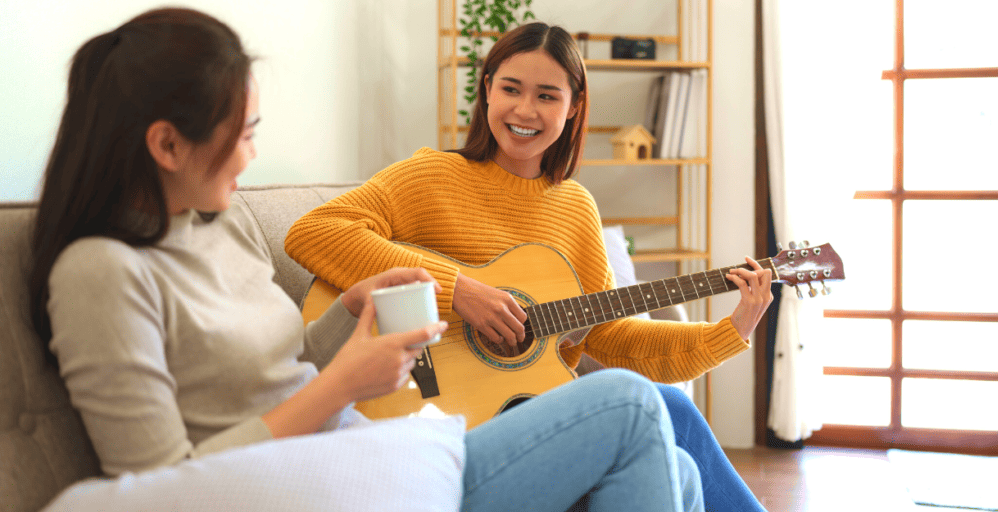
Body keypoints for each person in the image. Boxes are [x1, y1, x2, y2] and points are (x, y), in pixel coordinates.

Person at [27, 8, 704, 511]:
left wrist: (344, 319)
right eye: (244, 133)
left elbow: (280, 368)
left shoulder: (218, 224)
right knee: (633, 405)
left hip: (368, 450)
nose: (252, 155)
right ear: (168, 146)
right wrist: (344, 382)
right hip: (327, 478)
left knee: (682, 467)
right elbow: (160, 487)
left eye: (548, 96)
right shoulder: (101, 273)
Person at [285, 21, 773, 512]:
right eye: (511, 89)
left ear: (573, 106)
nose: (525, 110)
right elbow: (314, 232)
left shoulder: (575, 207)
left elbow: (611, 337)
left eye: (546, 96)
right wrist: (460, 291)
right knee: (666, 414)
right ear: (487, 90)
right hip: (428, 409)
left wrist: (733, 328)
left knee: (681, 452)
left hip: (525, 413)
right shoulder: (431, 175)